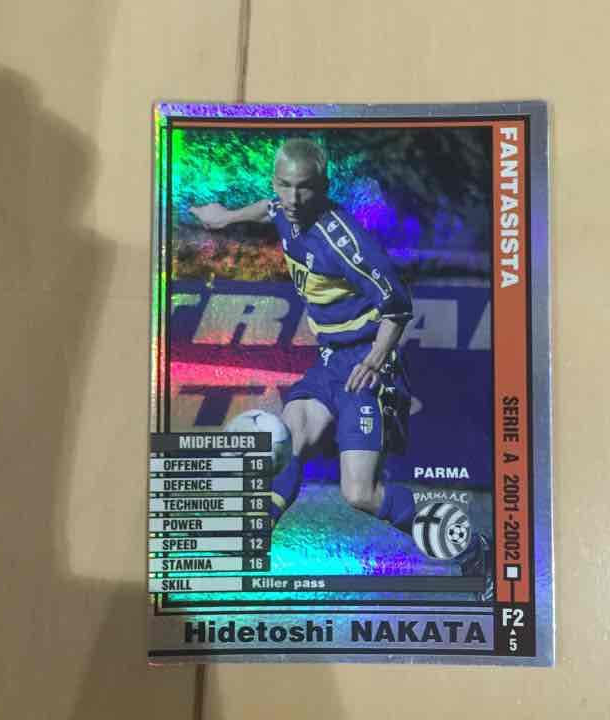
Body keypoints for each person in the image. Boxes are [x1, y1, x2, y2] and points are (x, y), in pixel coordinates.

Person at [190, 139, 491, 595]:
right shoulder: (284, 209)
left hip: (365, 369)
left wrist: (374, 361)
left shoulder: (345, 243)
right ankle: (250, 544)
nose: (293, 198)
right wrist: (225, 218)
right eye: (285, 185)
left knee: (360, 494)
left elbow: (397, 305)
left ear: (324, 186)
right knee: (289, 438)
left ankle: (473, 548)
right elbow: (268, 209)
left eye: (304, 188)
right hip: (330, 361)